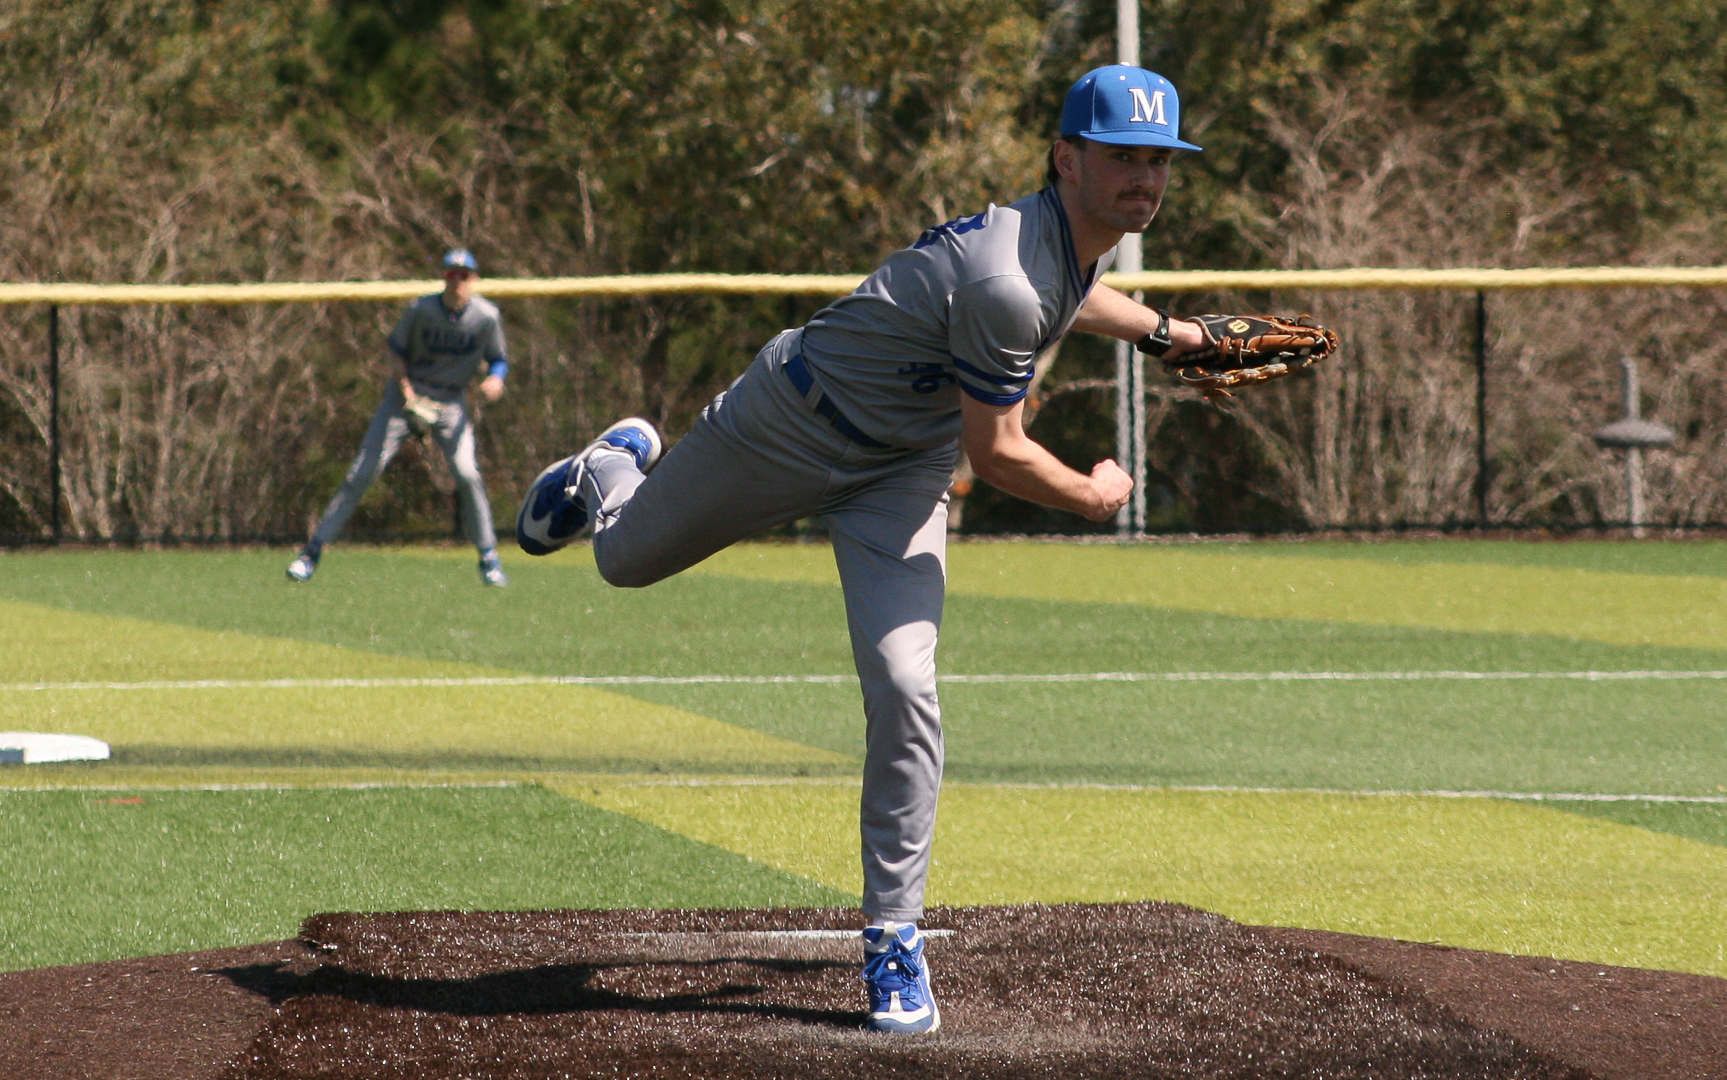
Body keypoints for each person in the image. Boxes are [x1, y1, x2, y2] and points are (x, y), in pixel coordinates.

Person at [515, 66, 1208, 1033]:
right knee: (622, 559)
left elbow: (1072, 296)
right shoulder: (1010, 274)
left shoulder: (1065, 241)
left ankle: (893, 937)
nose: (1146, 176)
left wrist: (1165, 332)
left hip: (900, 473)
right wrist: (1094, 495)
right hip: (791, 420)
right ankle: (614, 467)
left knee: (904, 685)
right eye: (1123, 155)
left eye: (1160, 158)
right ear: (1066, 156)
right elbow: (1000, 453)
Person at [287, 249, 512, 586]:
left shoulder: (486, 316)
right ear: (444, 277)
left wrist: (496, 378)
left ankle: (489, 559)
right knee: (362, 474)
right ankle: (311, 553)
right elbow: (395, 351)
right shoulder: (421, 310)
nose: (457, 280)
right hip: (406, 398)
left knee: (468, 475)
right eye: (452, 273)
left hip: (450, 402)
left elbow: (498, 358)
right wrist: (408, 395)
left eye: (464, 275)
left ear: (474, 280)